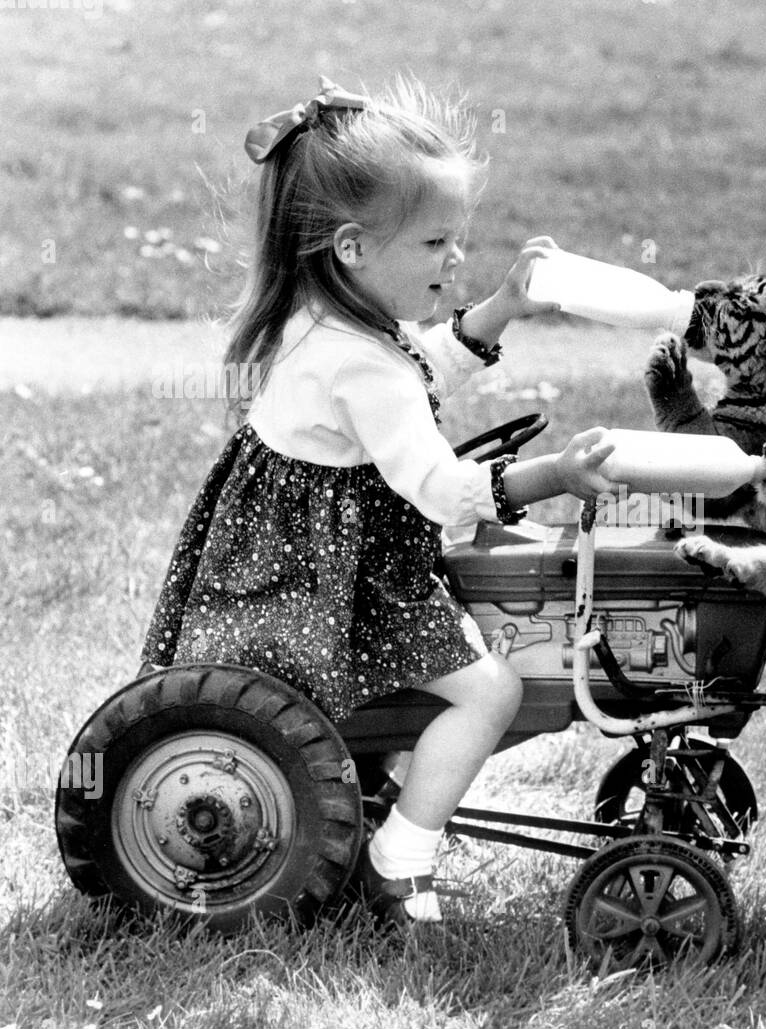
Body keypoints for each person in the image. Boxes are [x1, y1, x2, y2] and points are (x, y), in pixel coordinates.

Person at [141, 76, 614, 924]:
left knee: (431, 679)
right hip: (336, 580)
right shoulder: (360, 363)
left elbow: (424, 363)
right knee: (490, 691)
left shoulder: (330, 319)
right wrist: (554, 477)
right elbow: (439, 488)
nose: (456, 258)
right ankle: (403, 852)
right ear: (355, 247)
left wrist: (503, 308)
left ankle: (381, 805)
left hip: (307, 557)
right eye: (437, 241)